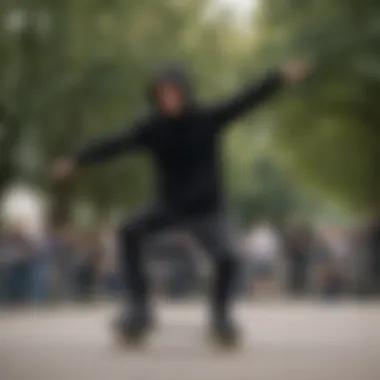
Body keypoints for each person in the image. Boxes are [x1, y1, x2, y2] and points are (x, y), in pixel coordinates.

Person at [52, 60, 311, 347]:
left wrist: (279, 79)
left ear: (185, 93)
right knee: (129, 231)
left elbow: (244, 100)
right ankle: (139, 311)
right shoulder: (152, 127)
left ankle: (221, 317)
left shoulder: (207, 118)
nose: (169, 100)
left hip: (207, 207)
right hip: (170, 204)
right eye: (163, 95)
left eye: (174, 94)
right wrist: (76, 159)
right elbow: (115, 144)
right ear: (156, 97)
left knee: (228, 258)